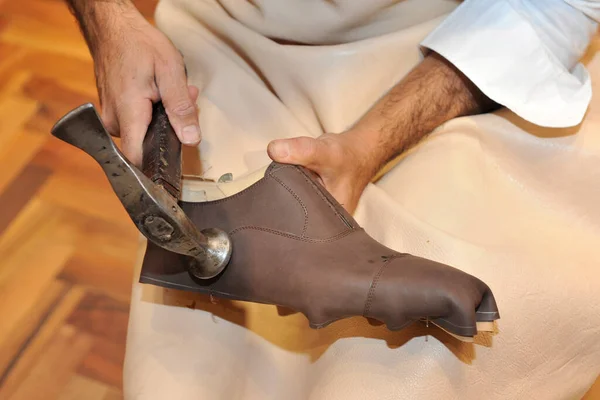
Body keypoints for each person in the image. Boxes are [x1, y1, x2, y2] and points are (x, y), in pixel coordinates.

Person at [66, 0, 600, 399]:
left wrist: (367, 146)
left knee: (410, 374)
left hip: (464, 57)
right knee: (187, 374)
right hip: (228, 37)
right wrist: (109, 23)